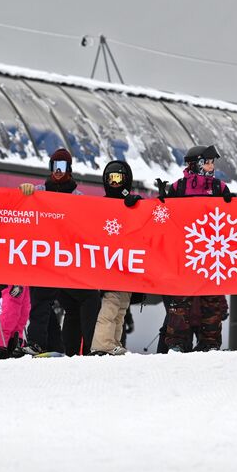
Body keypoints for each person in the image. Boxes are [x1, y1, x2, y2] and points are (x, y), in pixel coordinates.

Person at [21, 148, 100, 356]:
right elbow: (22, 200)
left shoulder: (77, 196)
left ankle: (88, 348)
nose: (57, 171)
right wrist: (25, 190)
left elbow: (90, 222)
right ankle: (38, 343)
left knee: (85, 299)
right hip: (46, 257)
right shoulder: (41, 190)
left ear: (69, 169)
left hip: (68, 261)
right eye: (54, 166)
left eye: (62, 166)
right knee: (40, 300)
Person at [162, 145, 231, 352]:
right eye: (208, 162)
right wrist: (160, 202)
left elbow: (231, 221)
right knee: (180, 301)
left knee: (212, 300)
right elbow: (166, 220)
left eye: (212, 162)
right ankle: (176, 343)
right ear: (196, 164)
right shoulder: (179, 188)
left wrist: (231, 204)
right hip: (184, 253)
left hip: (211, 253)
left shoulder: (220, 187)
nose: (211, 166)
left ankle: (209, 343)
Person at [90, 160, 142, 356]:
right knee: (111, 304)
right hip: (109, 264)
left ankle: (113, 341)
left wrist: (137, 204)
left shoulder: (131, 203)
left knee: (121, 307)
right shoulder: (101, 205)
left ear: (125, 180)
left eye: (118, 178)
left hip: (126, 263)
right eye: (110, 179)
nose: (114, 183)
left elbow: (143, 223)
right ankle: (102, 343)